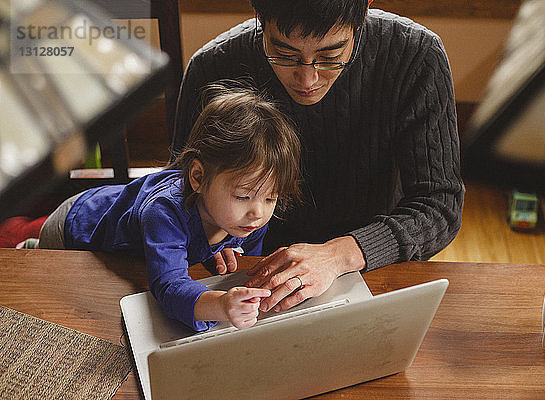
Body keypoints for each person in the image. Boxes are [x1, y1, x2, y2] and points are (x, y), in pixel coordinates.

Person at [172, 0, 464, 314]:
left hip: (374, 264)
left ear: (362, 14)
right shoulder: (214, 66)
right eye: (284, 55)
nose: (307, 79)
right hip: (250, 275)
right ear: (259, 16)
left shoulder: (414, 55)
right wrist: (207, 237)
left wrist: (339, 255)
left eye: (330, 56)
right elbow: (179, 192)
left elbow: (440, 203)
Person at [37, 84, 302, 331]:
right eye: (243, 196)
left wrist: (233, 249)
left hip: (127, 232)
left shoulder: (250, 218)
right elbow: (168, 287)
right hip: (73, 228)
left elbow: (245, 266)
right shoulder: (163, 213)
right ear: (198, 177)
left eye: (271, 198)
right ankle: (30, 245)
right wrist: (221, 305)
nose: (259, 213)